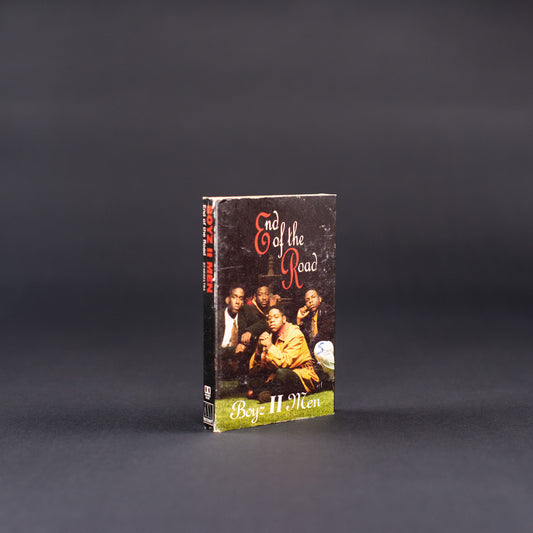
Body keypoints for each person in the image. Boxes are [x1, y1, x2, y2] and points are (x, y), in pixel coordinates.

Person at [248, 305, 319, 401]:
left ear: (284, 319)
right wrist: (259, 350)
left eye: (276, 317)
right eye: (269, 318)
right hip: (276, 375)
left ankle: (271, 394)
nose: (272, 320)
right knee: (254, 380)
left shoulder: (295, 334)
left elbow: (286, 363)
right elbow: (253, 369)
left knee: (281, 374)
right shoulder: (270, 335)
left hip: (300, 375)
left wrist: (269, 346)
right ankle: (272, 393)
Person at [216, 286, 261, 381]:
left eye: (241, 298)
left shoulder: (244, 312)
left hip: (238, 363)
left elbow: (262, 323)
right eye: (234, 297)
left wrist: (250, 331)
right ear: (227, 300)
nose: (237, 302)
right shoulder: (217, 317)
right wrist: (233, 350)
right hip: (220, 358)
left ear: (243, 302)